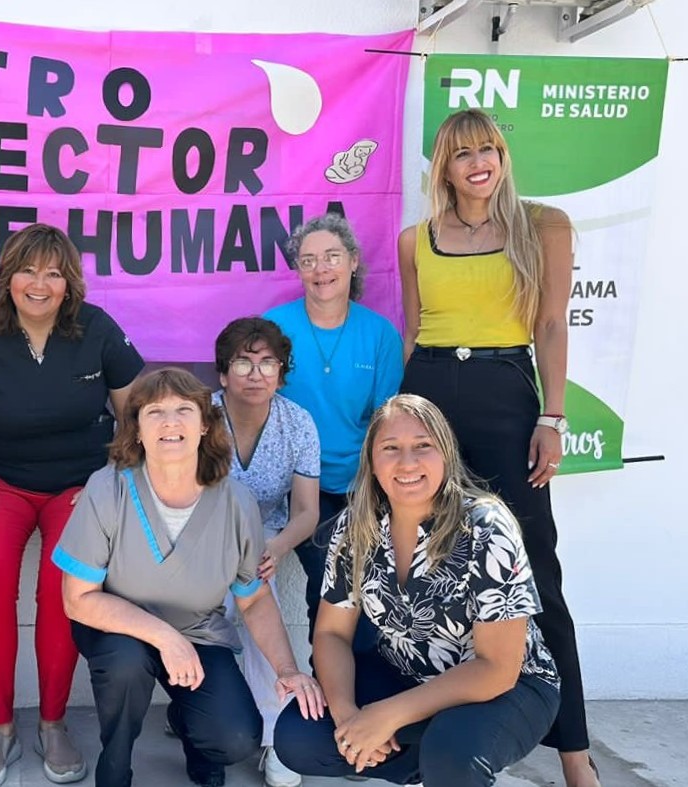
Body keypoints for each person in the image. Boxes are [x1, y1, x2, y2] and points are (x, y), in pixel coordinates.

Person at [397, 108, 593, 786]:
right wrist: (397, 424)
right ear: (443, 168)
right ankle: (440, 730)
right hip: (429, 398)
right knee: (434, 563)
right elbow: (412, 330)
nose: (479, 161)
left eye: (490, 148)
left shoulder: (544, 226)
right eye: (462, 152)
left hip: (506, 393)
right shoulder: (413, 239)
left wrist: (554, 416)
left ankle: (575, 751)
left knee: (536, 568)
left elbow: (550, 324)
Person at [55, 369, 324, 787]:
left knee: (236, 739)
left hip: (198, 631)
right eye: (155, 411)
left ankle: (191, 730)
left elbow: (253, 598)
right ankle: (116, 761)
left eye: (184, 410)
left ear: (204, 425)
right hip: (119, 628)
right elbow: (79, 599)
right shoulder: (108, 489)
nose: (170, 422)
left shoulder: (236, 500)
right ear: (137, 430)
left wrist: (287, 669)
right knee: (126, 664)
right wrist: (166, 637)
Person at [274, 394, 562, 786]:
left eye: (422, 446)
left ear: (445, 454)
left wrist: (387, 715)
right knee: (301, 737)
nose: (407, 463)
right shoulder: (356, 528)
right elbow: (331, 633)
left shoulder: (486, 527)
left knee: (452, 753)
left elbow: (497, 669)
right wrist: (349, 720)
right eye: (390, 449)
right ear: (372, 463)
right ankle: (422, 762)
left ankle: (448, 763)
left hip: (508, 688)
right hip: (409, 672)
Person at [0, 223, 144, 787]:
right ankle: (0, 727)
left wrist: (112, 480)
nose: (39, 283)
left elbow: (134, 414)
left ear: (68, 282)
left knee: (64, 592)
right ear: (7, 277)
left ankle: (53, 723)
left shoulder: (97, 330)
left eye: (52, 272)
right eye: (27, 270)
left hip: (78, 484)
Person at [265, 213, 402, 641]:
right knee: (329, 582)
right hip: (299, 485)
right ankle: (333, 692)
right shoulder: (274, 327)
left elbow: (388, 424)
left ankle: (371, 693)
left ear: (354, 262)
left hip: (363, 485)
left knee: (373, 588)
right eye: (308, 261)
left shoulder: (380, 334)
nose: (320, 270)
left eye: (331, 257)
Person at [210, 318, 320, 787]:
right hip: (203, 542)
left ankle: (278, 739)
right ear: (222, 373)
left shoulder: (298, 423)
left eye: (267, 362)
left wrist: (274, 546)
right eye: (243, 362)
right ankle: (204, 720)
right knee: (211, 616)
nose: (256, 373)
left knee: (258, 598)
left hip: (264, 544)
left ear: (281, 371)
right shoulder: (200, 417)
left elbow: (307, 512)